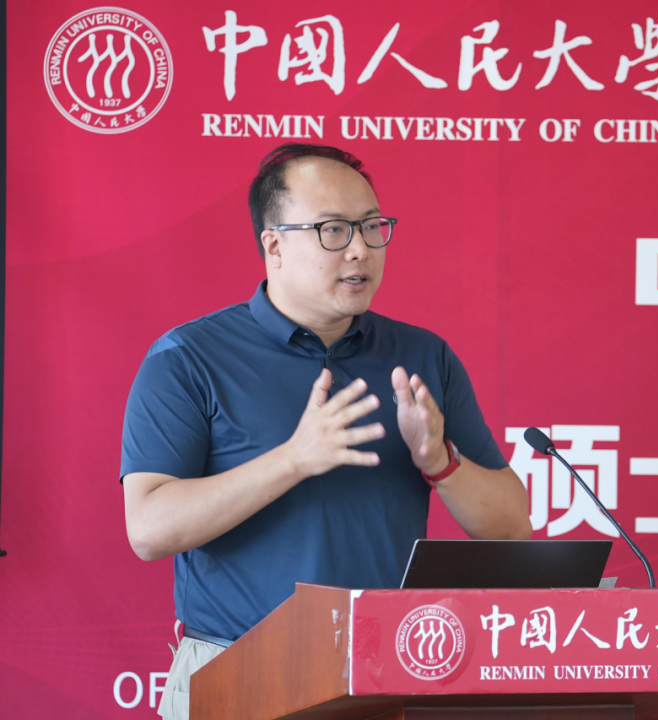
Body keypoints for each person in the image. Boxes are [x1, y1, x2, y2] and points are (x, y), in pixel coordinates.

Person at [121, 143, 531, 720]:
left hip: (386, 674)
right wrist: (295, 458)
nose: (360, 249)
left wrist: (439, 462)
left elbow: (512, 526)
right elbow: (149, 529)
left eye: (372, 227)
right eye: (333, 230)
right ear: (274, 245)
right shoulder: (189, 358)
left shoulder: (422, 357)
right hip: (235, 671)